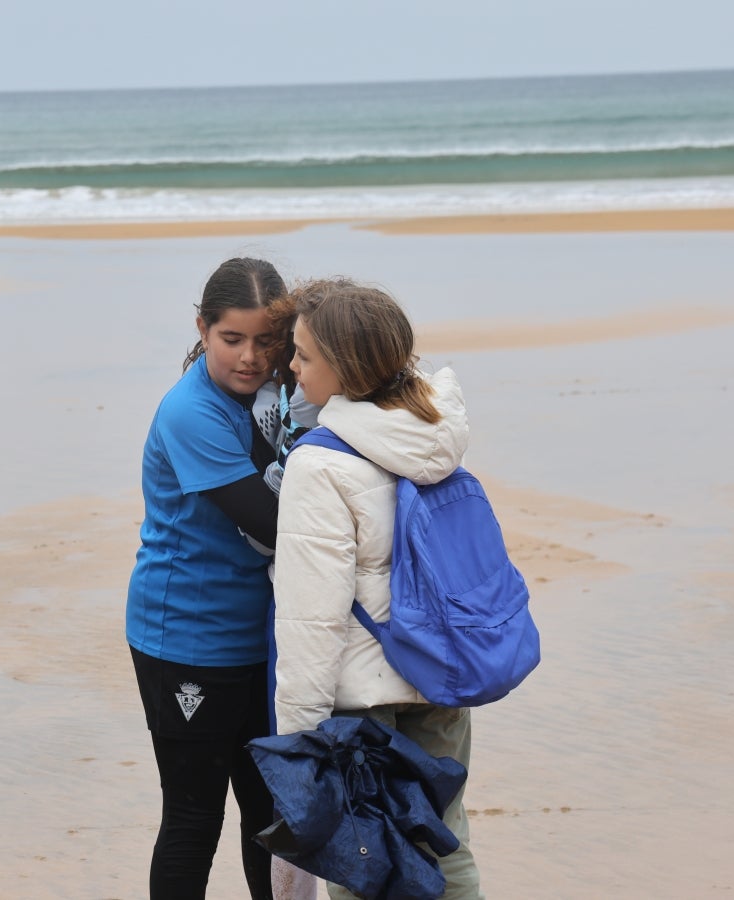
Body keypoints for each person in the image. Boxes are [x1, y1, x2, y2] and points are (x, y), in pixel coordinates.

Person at [272, 277, 485, 900]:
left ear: (344, 368)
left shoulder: (319, 463)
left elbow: (314, 616)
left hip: (364, 697)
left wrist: (299, 736)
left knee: (366, 865)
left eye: (304, 355)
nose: (291, 366)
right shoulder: (432, 432)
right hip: (441, 672)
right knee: (445, 843)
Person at [126, 257, 286, 900]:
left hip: (259, 635)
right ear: (203, 328)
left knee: (270, 817)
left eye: (268, 341)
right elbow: (274, 525)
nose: (250, 358)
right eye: (232, 339)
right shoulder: (192, 411)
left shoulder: (281, 400)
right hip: (186, 636)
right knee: (195, 818)